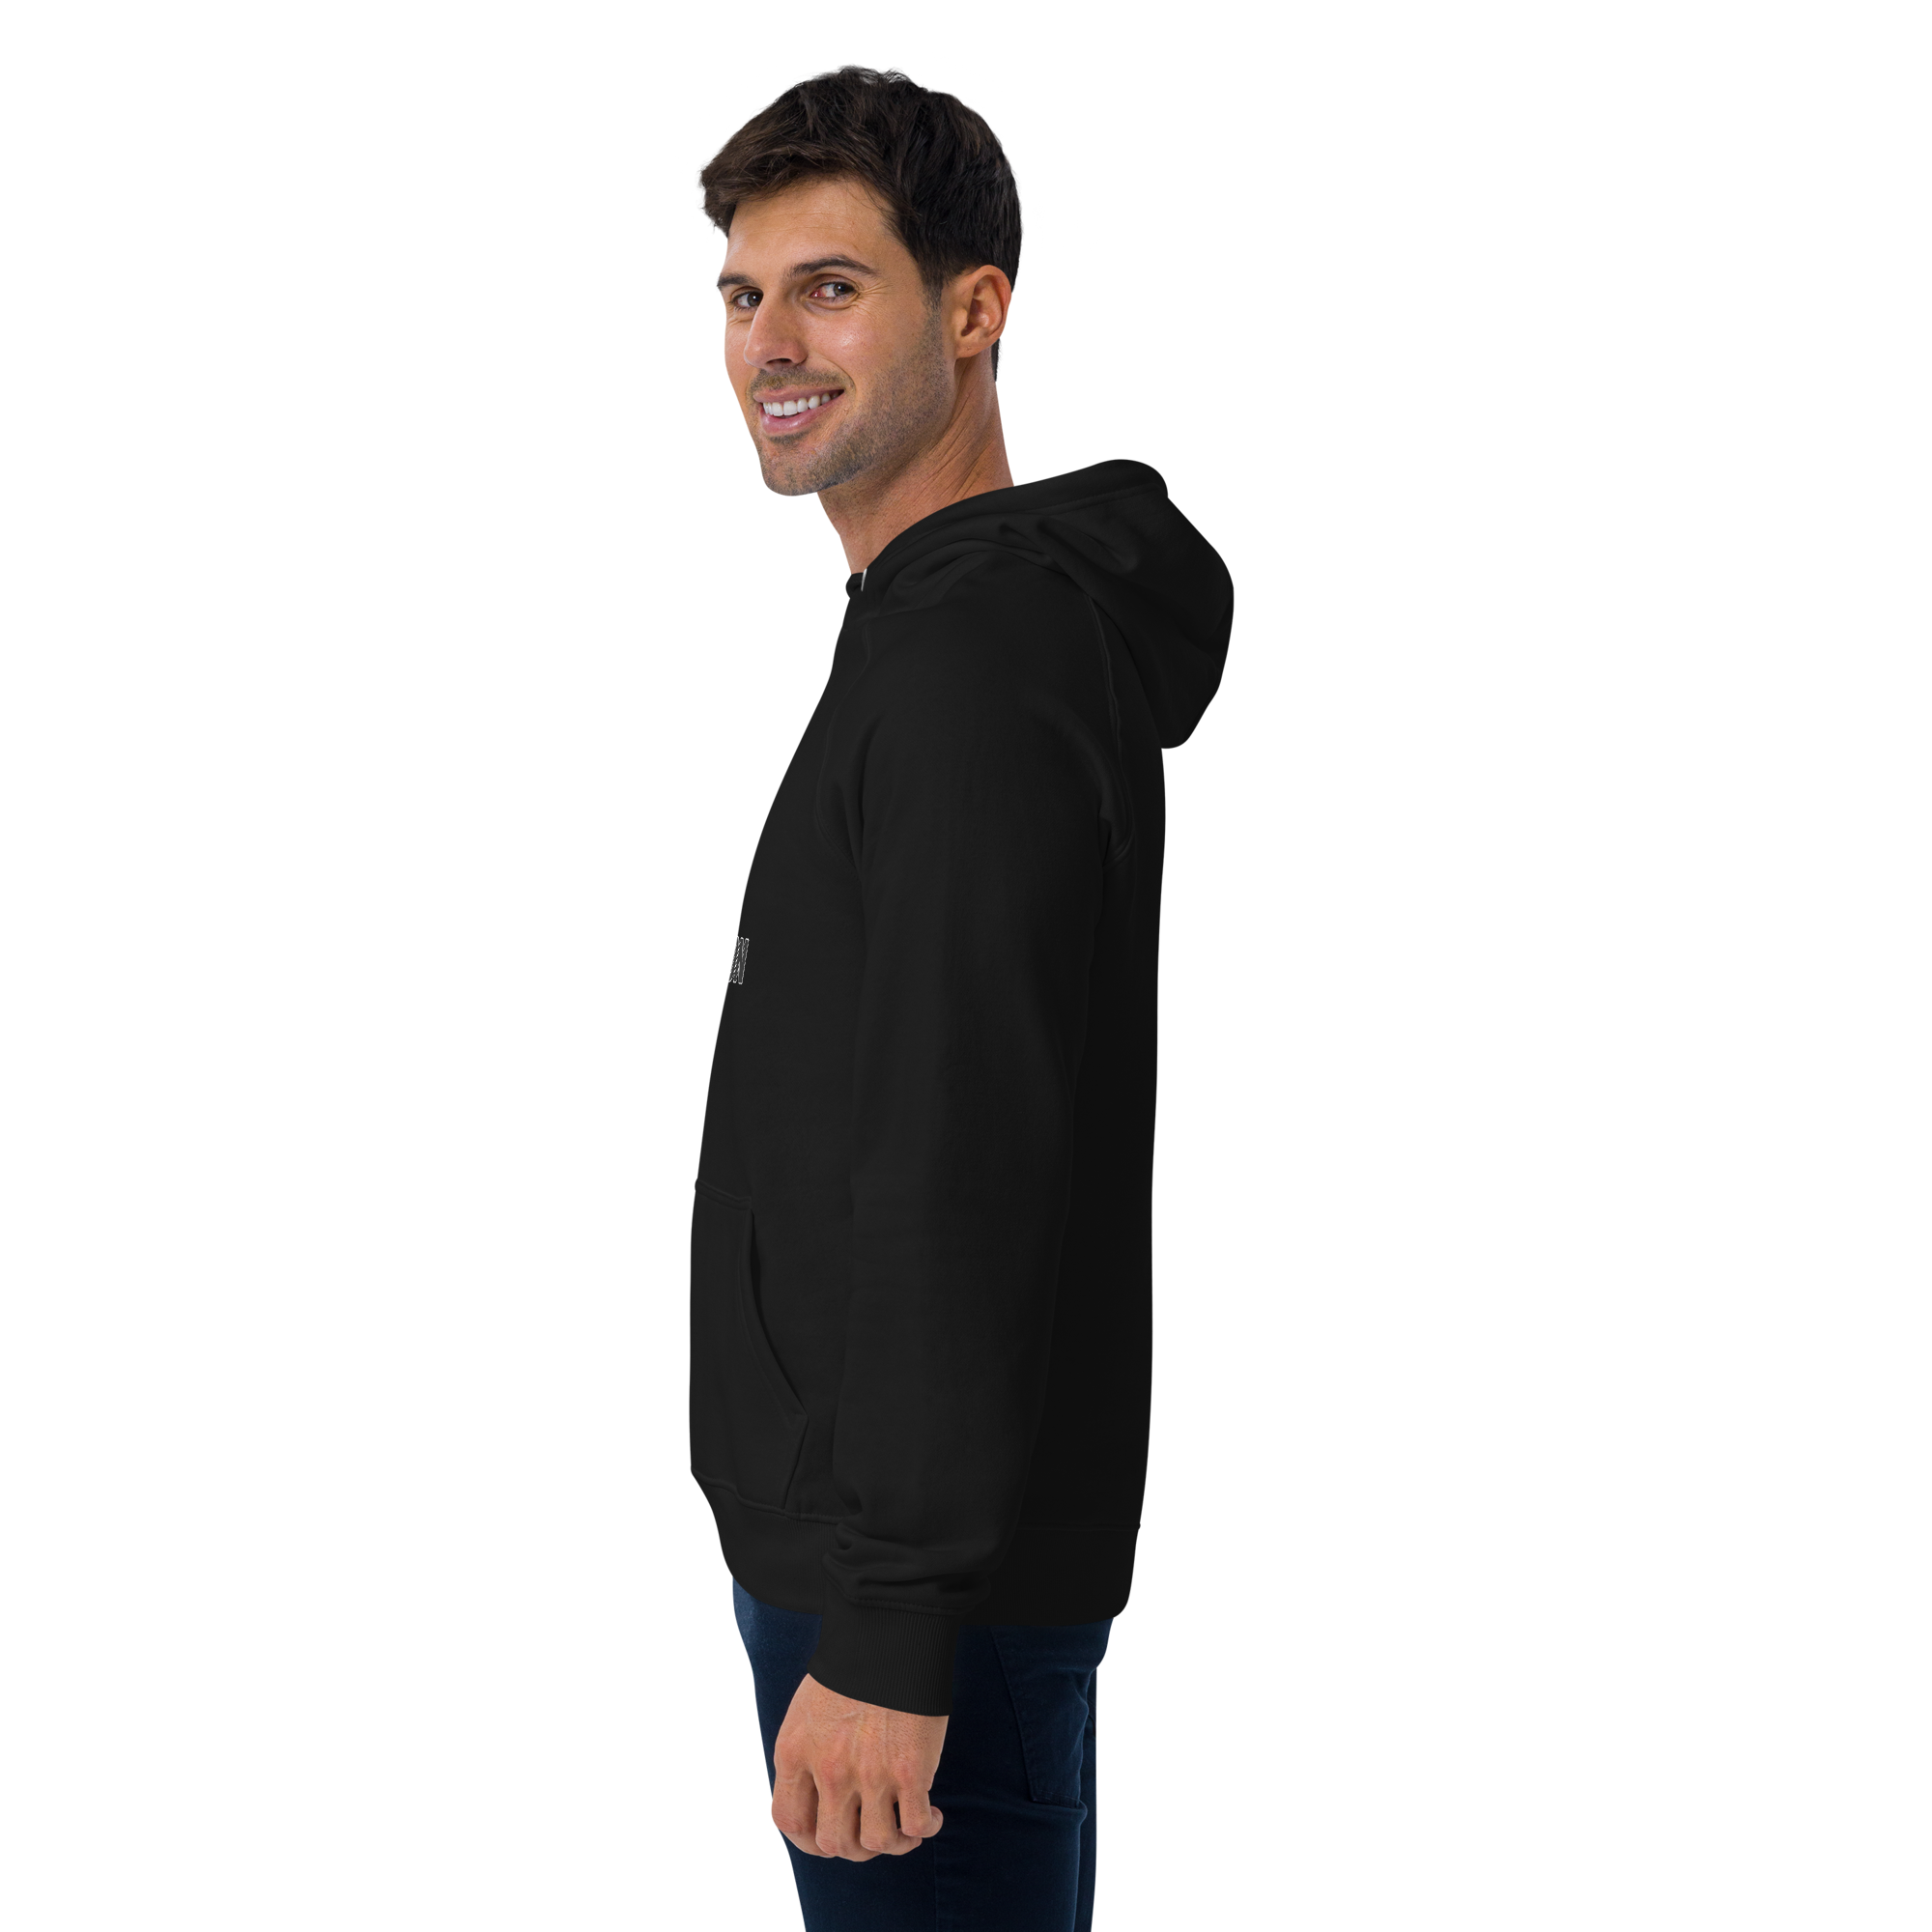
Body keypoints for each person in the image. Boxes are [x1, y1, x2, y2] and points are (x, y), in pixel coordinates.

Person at [687, 63, 1236, 1931]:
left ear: (977, 306)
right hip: (881, 1569)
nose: (770, 343)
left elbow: (962, 1158)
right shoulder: (930, 628)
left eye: (831, 288)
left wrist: (893, 1624)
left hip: (921, 1605)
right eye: (742, 296)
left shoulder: (978, 664)